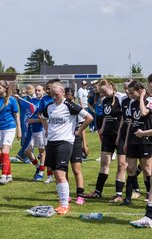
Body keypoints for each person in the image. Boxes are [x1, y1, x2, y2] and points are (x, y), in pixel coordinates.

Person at [40, 82, 92, 215]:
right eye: (52, 95)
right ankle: (62, 201)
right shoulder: (49, 106)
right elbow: (43, 117)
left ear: (63, 92)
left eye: (57, 94)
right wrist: (47, 130)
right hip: (51, 142)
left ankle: (65, 205)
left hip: (65, 142)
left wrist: (78, 131)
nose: (55, 97)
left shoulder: (70, 105)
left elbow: (89, 117)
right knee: (55, 173)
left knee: (60, 173)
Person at [85, 79, 125, 201]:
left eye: (104, 91)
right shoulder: (104, 100)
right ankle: (98, 192)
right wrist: (102, 128)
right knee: (104, 163)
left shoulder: (121, 98)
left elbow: (124, 117)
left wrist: (119, 134)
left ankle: (119, 194)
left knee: (121, 164)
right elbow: (106, 117)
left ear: (111, 86)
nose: (103, 94)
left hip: (120, 135)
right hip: (108, 135)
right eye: (101, 92)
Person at [123, 81, 152, 206]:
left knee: (146, 169)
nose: (130, 95)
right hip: (133, 140)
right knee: (131, 169)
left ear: (140, 90)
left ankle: (149, 195)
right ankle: (128, 198)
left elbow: (144, 112)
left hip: (145, 140)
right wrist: (126, 140)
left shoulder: (149, 100)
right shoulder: (131, 103)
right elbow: (130, 122)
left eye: (132, 92)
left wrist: (141, 98)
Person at [0, 80, 22, 185]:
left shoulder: (12, 100)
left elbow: (17, 116)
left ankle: (3, 176)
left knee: (4, 151)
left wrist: (19, 130)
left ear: (5, 88)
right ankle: (9, 176)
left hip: (10, 128)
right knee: (4, 153)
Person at [65, 87, 89, 205]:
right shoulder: (61, 108)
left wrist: (85, 143)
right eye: (66, 98)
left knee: (76, 169)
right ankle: (66, 194)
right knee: (64, 170)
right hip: (64, 142)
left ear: (73, 97)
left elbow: (82, 127)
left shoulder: (77, 109)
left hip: (76, 141)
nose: (68, 101)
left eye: (70, 98)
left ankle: (80, 195)